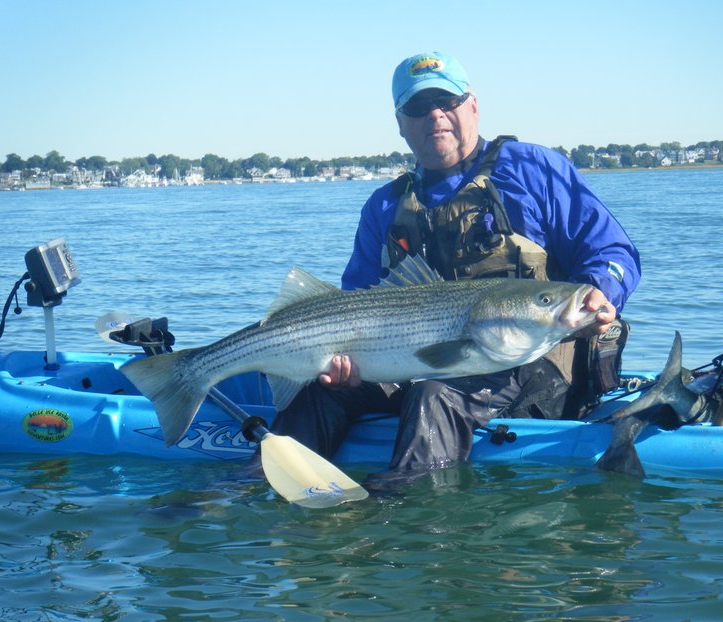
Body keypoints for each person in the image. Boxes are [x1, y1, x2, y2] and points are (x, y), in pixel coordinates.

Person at [272, 51, 640, 480]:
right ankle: (249, 491)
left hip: (531, 362)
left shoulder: (533, 169)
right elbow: (355, 303)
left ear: (473, 106)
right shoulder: (385, 205)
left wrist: (601, 291)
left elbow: (614, 253)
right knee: (318, 396)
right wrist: (342, 365)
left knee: (434, 396)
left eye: (447, 102)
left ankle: (408, 520)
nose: (435, 116)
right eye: (418, 107)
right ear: (400, 123)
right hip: (408, 360)